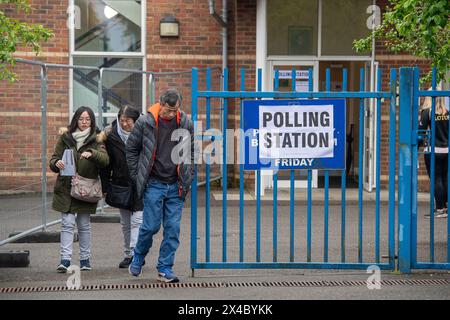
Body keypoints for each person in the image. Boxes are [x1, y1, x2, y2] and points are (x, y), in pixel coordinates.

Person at [126, 89, 194, 282]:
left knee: (172, 229)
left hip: (176, 185)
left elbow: (191, 151)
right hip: (153, 183)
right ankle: (138, 255)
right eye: (167, 110)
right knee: (151, 226)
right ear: (160, 104)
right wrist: (136, 175)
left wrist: (189, 175)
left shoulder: (186, 123)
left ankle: (165, 268)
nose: (171, 114)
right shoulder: (145, 122)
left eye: (175, 111)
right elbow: (131, 149)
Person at [49, 106, 109, 272]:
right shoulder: (65, 137)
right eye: (81, 119)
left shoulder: (97, 139)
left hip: (85, 189)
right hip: (66, 188)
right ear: (75, 120)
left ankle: (85, 260)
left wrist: (92, 153)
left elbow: (105, 160)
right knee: (67, 224)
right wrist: (56, 163)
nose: (84, 122)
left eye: (87, 119)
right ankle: (65, 260)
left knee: (83, 225)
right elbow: (54, 159)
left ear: (91, 121)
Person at [100, 105, 144, 268]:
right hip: (121, 183)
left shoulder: (144, 133)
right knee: (126, 223)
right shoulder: (111, 136)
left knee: (137, 221)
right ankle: (128, 254)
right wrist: (105, 185)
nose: (125, 124)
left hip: (141, 183)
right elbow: (106, 164)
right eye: (122, 120)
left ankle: (135, 254)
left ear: (136, 120)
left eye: (128, 121)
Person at [419, 95, 448, 218]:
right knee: (445, 178)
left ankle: (440, 208)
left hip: (433, 150)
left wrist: (418, 144)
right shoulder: (447, 112)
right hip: (447, 150)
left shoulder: (427, 112)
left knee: (436, 179)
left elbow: (421, 130)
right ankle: (445, 207)